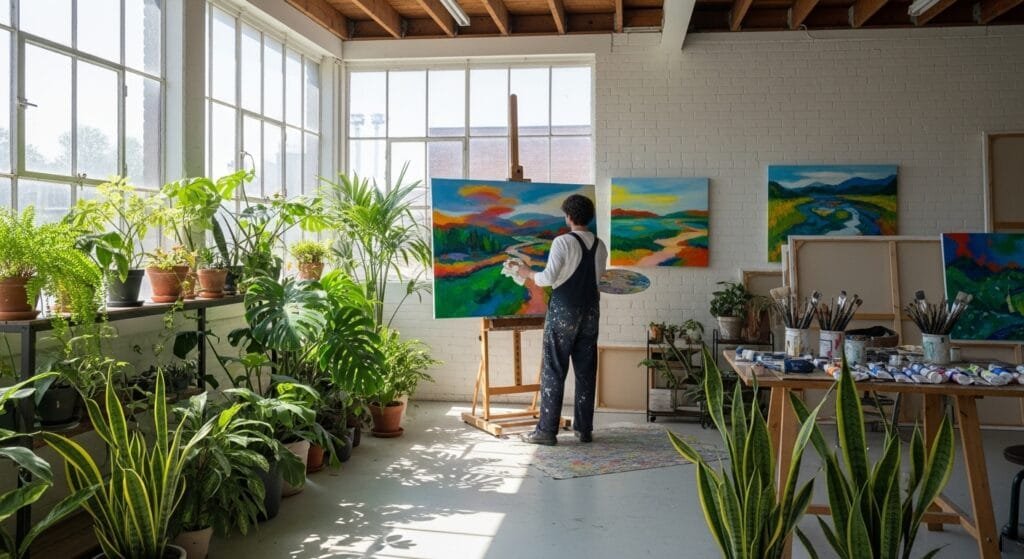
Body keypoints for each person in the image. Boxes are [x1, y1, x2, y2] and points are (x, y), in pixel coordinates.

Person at [516, 194, 607, 445]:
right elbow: (599, 280)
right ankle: (584, 429)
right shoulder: (600, 245)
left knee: (554, 368)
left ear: (568, 217)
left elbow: (547, 278)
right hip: (591, 310)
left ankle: (546, 431)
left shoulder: (562, 242)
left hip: (564, 310)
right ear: (589, 216)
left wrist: (526, 272)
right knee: (586, 370)